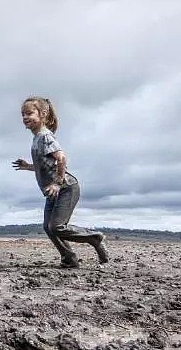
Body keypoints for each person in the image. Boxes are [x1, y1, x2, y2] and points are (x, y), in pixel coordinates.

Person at [12, 96, 108, 268]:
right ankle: (69, 258)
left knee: (57, 227)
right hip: (53, 192)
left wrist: (57, 183)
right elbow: (45, 166)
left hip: (66, 188)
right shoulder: (36, 139)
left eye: (29, 113)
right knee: (49, 227)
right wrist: (28, 166)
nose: (25, 117)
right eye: (23, 114)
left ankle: (94, 238)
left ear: (42, 114)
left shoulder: (45, 136)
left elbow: (61, 158)